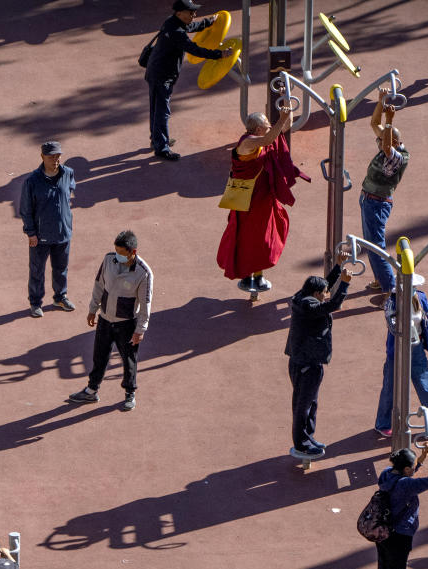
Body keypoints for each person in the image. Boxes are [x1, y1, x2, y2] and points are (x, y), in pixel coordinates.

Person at [216, 108, 307, 293]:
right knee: (248, 237)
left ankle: (258, 275)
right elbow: (269, 138)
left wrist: (287, 103)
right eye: (266, 125)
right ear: (257, 129)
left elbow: (282, 129)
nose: (269, 126)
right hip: (247, 200)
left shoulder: (262, 138)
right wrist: (280, 120)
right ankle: (248, 274)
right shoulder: (248, 143)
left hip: (264, 197)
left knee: (264, 237)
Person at [69, 230, 153, 411]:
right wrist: (93, 310)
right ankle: (91, 391)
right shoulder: (108, 260)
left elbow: (145, 305)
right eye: (116, 252)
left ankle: (130, 393)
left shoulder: (143, 273)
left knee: (129, 360)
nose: (118, 257)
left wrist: (140, 330)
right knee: (99, 356)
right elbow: (99, 285)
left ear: (133, 252)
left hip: (127, 324)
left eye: (122, 254)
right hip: (105, 319)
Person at [145, 0, 233, 161]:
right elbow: (194, 49)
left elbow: (191, 27)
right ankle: (162, 148)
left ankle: (157, 139)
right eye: (190, 12)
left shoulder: (172, 21)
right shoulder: (176, 31)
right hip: (162, 76)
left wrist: (208, 22)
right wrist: (219, 54)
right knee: (162, 111)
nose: (194, 15)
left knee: (156, 108)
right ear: (179, 13)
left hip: (156, 72)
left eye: (194, 12)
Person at [285, 251, 352, 456]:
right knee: (303, 406)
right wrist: (345, 284)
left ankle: (308, 437)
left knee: (310, 403)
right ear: (316, 295)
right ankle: (302, 444)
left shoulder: (302, 296)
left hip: (303, 361)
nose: (326, 294)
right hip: (308, 363)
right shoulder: (310, 306)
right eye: (323, 293)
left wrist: (338, 267)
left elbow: (323, 285)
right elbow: (333, 305)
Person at [373, 274, 428, 439]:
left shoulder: (421, 297)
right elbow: (391, 323)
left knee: (425, 388)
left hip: (416, 349)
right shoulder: (391, 302)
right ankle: (383, 423)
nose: (413, 289)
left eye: (414, 287)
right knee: (390, 388)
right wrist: (404, 330)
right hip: (397, 349)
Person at [359, 89, 409, 302]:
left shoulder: (398, 156)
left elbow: (387, 145)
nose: (378, 144)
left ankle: (391, 290)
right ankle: (381, 279)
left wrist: (389, 119)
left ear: (396, 142)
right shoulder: (388, 143)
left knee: (376, 243)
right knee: (370, 243)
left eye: (382, 142)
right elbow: (373, 123)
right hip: (370, 200)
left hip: (377, 203)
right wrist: (381, 102)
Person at [20, 140, 77, 318]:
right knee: (37, 271)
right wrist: (31, 233)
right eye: (51, 156)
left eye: (58, 155)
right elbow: (25, 210)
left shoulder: (68, 173)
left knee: (61, 268)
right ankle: (35, 303)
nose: (55, 159)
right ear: (42, 157)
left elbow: (70, 192)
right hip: (40, 237)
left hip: (63, 233)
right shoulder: (32, 181)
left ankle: (60, 297)